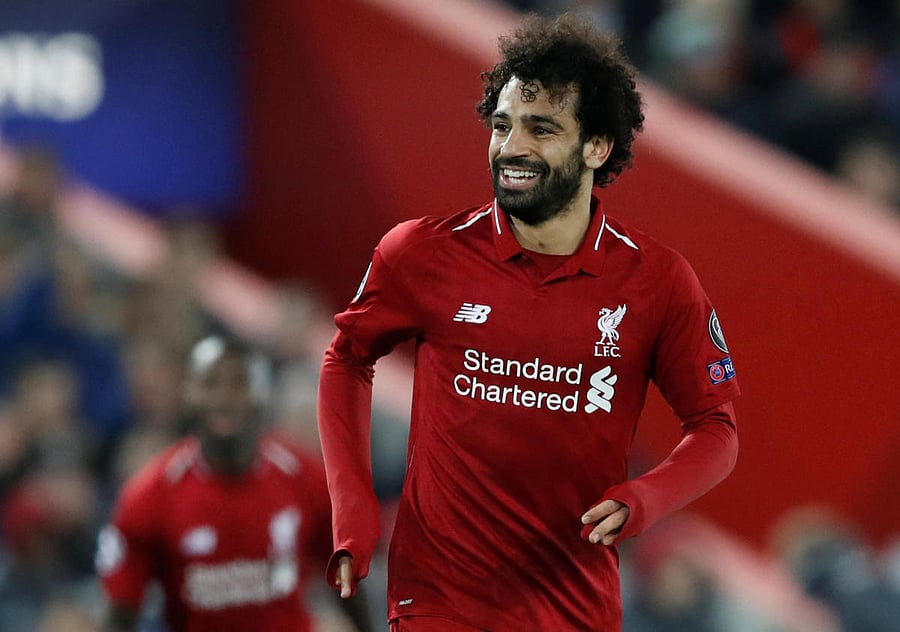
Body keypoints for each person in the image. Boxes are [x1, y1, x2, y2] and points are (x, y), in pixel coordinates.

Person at [318, 13, 740, 632]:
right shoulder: (421, 254)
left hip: (575, 607)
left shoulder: (658, 282)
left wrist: (644, 499)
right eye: (502, 125)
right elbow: (346, 359)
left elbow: (716, 429)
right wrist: (352, 513)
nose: (512, 147)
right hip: (438, 600)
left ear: (596, 146)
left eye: (541, 129)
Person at [96, 334, 372, 631]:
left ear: (262, 394)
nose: (224, 398)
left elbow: (347, 582)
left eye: (238, 383)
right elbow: (121, 613)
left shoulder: (307, 480)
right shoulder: (149, 497)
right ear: (189, 393)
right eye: (211, 384)